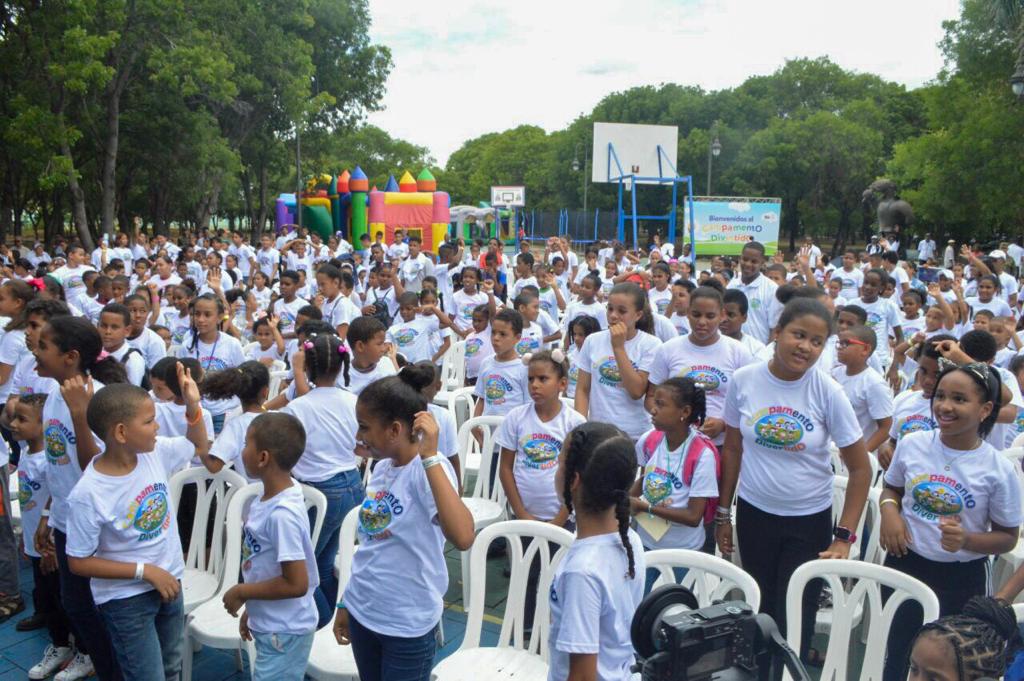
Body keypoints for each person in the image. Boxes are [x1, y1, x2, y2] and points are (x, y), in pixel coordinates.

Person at [716, 297, 871, 662]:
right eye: (798, 335)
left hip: (808, 520)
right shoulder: (744, 381)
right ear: (776, 333)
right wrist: (724, 513)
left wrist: (845, 537)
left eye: (817, 341)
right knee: (761, 606)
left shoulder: (828, 391)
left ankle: (791, 669)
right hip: (755, 515)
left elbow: (861, 469)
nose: (806, 347)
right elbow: (733, 449)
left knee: (797, 613)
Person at [66, 368, 211, 680]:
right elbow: (78, 561)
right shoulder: (89, 493)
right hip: (126, 601)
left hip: (170, 582)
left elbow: (198, 445)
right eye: (149, 421)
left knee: (172, 666)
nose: (157, 426)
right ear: (120, 432)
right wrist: (145, 571)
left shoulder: (154, 453)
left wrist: (192, 405)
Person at [880, 362, 1021, 681]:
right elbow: (892, 489)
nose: (944, 405)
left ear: (985, 409)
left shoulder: (997, 469)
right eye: (941, 395)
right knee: (899, 655)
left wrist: (967, 540)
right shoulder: (913, 443)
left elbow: (1007, 537)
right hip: (905, 564)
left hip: (962, 578)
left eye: (959, 399)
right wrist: (890, 512)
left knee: (952, 666)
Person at [333, 368, 474, 681]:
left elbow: (463, 536)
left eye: (364, 427)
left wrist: (431, 457)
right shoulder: (382, 469)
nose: (359, 436)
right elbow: (370, 546)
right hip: (364, 611)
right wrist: (346, 601)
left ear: (395, 429)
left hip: (405, 626)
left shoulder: (425, 472)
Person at [33, 316, 129, 681]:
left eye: (44, 346)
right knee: (75, 604)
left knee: (98, 609)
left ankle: (116, 670)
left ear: (71, 356)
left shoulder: (100, 398)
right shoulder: (55, 395)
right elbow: (58, 467)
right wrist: (48, 513)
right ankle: (104, 665)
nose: (35, 352)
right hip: (65, 519)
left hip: (96, 526)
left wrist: (79, 413)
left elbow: (96, 467)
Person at [221, 412, 318, 681]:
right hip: (274, 624)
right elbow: (265, 564)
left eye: (245, 445)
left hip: (284, 632)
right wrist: (253, 609)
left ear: (263, 458)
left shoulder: (281, 515)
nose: (241, 451)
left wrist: (243, 591)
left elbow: (296, 583)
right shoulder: (274, 495)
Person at [548, 423, 645, 681]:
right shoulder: (630, 540)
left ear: (574, 480)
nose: (556, 470)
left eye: (559, 464)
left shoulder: (582, 572)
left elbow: (581, 676)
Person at [279, 333, 362, 628]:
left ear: (308, 367)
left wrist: (296, 369)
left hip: (322, 494)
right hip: (354, 485)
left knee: (304, 569)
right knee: (323, 563)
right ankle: (335, 623)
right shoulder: (352, 400)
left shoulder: (298, 408)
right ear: (341, 365)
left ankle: (325, 623)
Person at [10, 393, 77, 678]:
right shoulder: (26, 452)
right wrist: (28, 542)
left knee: (64, 599)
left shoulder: (49, 461)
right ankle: (60, 645)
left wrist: (48, 541)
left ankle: (80, 649)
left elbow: (56, 499)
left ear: (43, 424)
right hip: (34, 543)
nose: (13, 424)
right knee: (49, 600)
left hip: (49, 544)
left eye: (21, 419)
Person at [631, 377, 718, 589]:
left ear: (685, 412)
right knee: (640, 603)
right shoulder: (650, 440)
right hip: (646, 542)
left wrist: (646, 507)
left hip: (683, 551)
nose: (652, 409)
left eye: (661, 404)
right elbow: (644, 480)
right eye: (654, 402)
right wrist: (628, 500)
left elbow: (693, 517)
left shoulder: (701, 454)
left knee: (676, 606)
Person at [648, 285, 752, 448]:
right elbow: (651, 397)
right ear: (688, 313)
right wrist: (673, 419)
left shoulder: (739, 352)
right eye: (696, 314)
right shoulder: (667, 349)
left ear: (722, 315)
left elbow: (749, 403)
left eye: (710, 316)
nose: (702, 322)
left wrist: (723, 424)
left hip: (722, 445)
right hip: (676, 444)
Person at [575, 283, 660, 440]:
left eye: (622, 311)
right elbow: (583, 389)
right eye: (610, 308)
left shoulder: (651, 345)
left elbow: (636, 391)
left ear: (638, 315)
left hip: (634, 434)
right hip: (598, 432)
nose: (613, 315)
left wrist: (619, 348)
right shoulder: (592, 341)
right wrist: (581, 426)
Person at [181, 293, 246, 434]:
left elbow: (242, 377)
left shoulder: (232, 344)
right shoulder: (187, 346)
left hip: (225, 412)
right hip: (197, 411)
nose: (200, 319)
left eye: (207, 315)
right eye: (196, 314)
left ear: (220, 317)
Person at [202, 361, 271, 482]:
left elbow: (213, 466)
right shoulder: (282, 419)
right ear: (266, 392)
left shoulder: (236, 425)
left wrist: (201, 446)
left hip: (248, 497)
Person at [833, 325, 894, 455]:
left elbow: (886, 427)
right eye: (839, 343)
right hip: (833, 451)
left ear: (865, 349)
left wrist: (860, 455)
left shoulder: (873, 383)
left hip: (855, 456)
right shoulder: (835, 374)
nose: (839, 348)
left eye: (846, 343)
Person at [726, 241, 779, 344]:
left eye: (754, 261)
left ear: (762, 263)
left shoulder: (771, 289)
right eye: (745, 259)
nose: (748, 264)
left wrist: (768, 355)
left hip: (758, 353)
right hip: (732, 348)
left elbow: (775, 328)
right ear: (740, 258)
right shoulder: (732, 285)